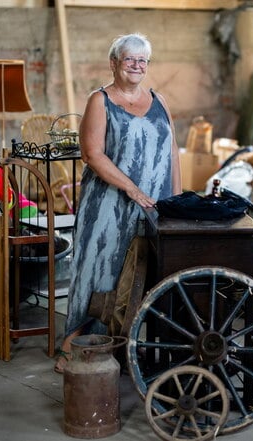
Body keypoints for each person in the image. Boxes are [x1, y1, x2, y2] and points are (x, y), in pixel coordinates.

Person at [54, 33, 181, 373]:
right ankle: (73, 349)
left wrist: (176, 201)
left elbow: (172, 154)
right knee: (101, 275)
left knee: (141, 277)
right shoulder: (100, 100)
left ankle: (125, 347)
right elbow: (92, 154)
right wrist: (132, 190)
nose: (138, 66)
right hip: (107, 207)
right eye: (130, 59)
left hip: (152, 207)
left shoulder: (159, 100)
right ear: (114, 63)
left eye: (143, 60)